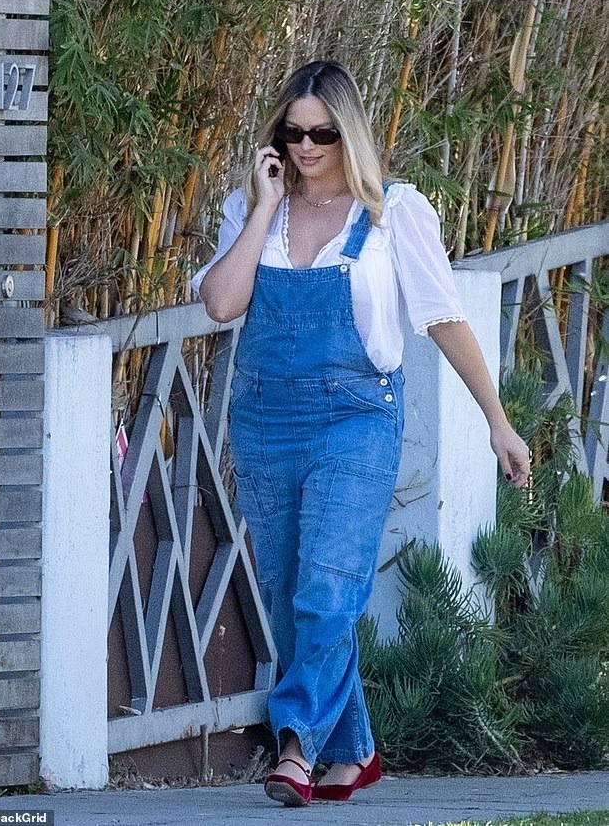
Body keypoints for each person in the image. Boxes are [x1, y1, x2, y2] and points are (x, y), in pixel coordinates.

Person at [191, 60, 530, 807]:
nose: (307, 146)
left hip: (357, 417)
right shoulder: (255, 210)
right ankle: (355, 748)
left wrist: (497, 421)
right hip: (264, 420)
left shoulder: (392, 213)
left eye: (322, 133)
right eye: (293, 132)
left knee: (328, 586)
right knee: (287, 594)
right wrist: (260, 208)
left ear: (350, 132)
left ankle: (292, 747)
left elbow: (443, 319)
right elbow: (220, 302)